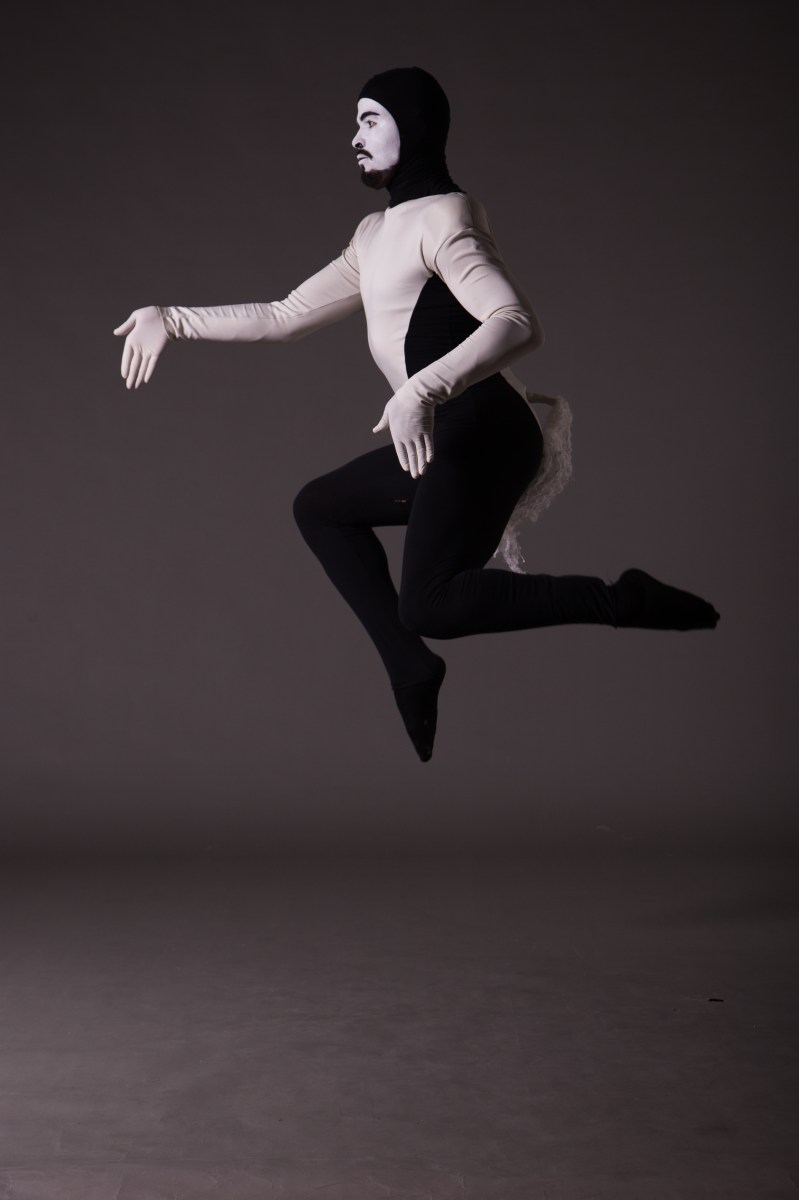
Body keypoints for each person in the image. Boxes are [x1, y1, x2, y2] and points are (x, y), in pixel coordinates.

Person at [114, 66, 719, 762]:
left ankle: (622, 600)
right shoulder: (375, 233)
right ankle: (410, 664)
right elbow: (284, 316)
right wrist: (171, 319)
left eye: (371, 119)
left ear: (416, 126)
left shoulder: (444, 219)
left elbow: (516, 322)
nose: (355, 136)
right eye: (356, 121)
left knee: (430, 603)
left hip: (486, 428)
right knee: (321, 508)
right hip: (448, 429)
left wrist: (418, 392)